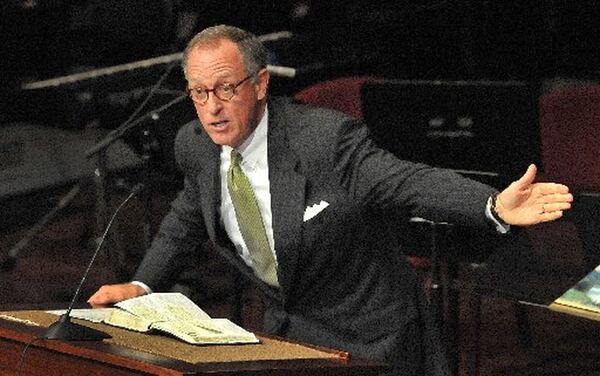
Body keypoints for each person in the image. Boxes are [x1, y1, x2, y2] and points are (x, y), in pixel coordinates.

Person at [88, 25, 573, 376]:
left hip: (374, 339)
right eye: (198, 92)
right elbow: (187, 216)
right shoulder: (194, 144)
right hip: (289, 336)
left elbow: (403, 181)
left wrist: (491, 206)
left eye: (226, 88)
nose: (212, 107)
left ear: (260, 85)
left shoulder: (323, 140)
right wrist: (143, 284)